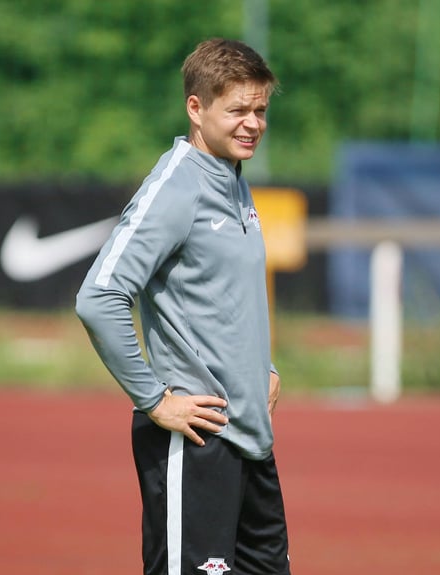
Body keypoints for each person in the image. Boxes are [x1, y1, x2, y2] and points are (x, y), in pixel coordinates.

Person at [75, 38, 290, 575]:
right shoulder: (177, 186)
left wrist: (260, 367)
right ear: (196, 107)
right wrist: (154, 399)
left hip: (251, 441)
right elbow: (99, 297)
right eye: (237, 109)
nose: (252, 123)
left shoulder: (234, 181)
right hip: (195, 442)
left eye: (260, 109)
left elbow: (221, 296)